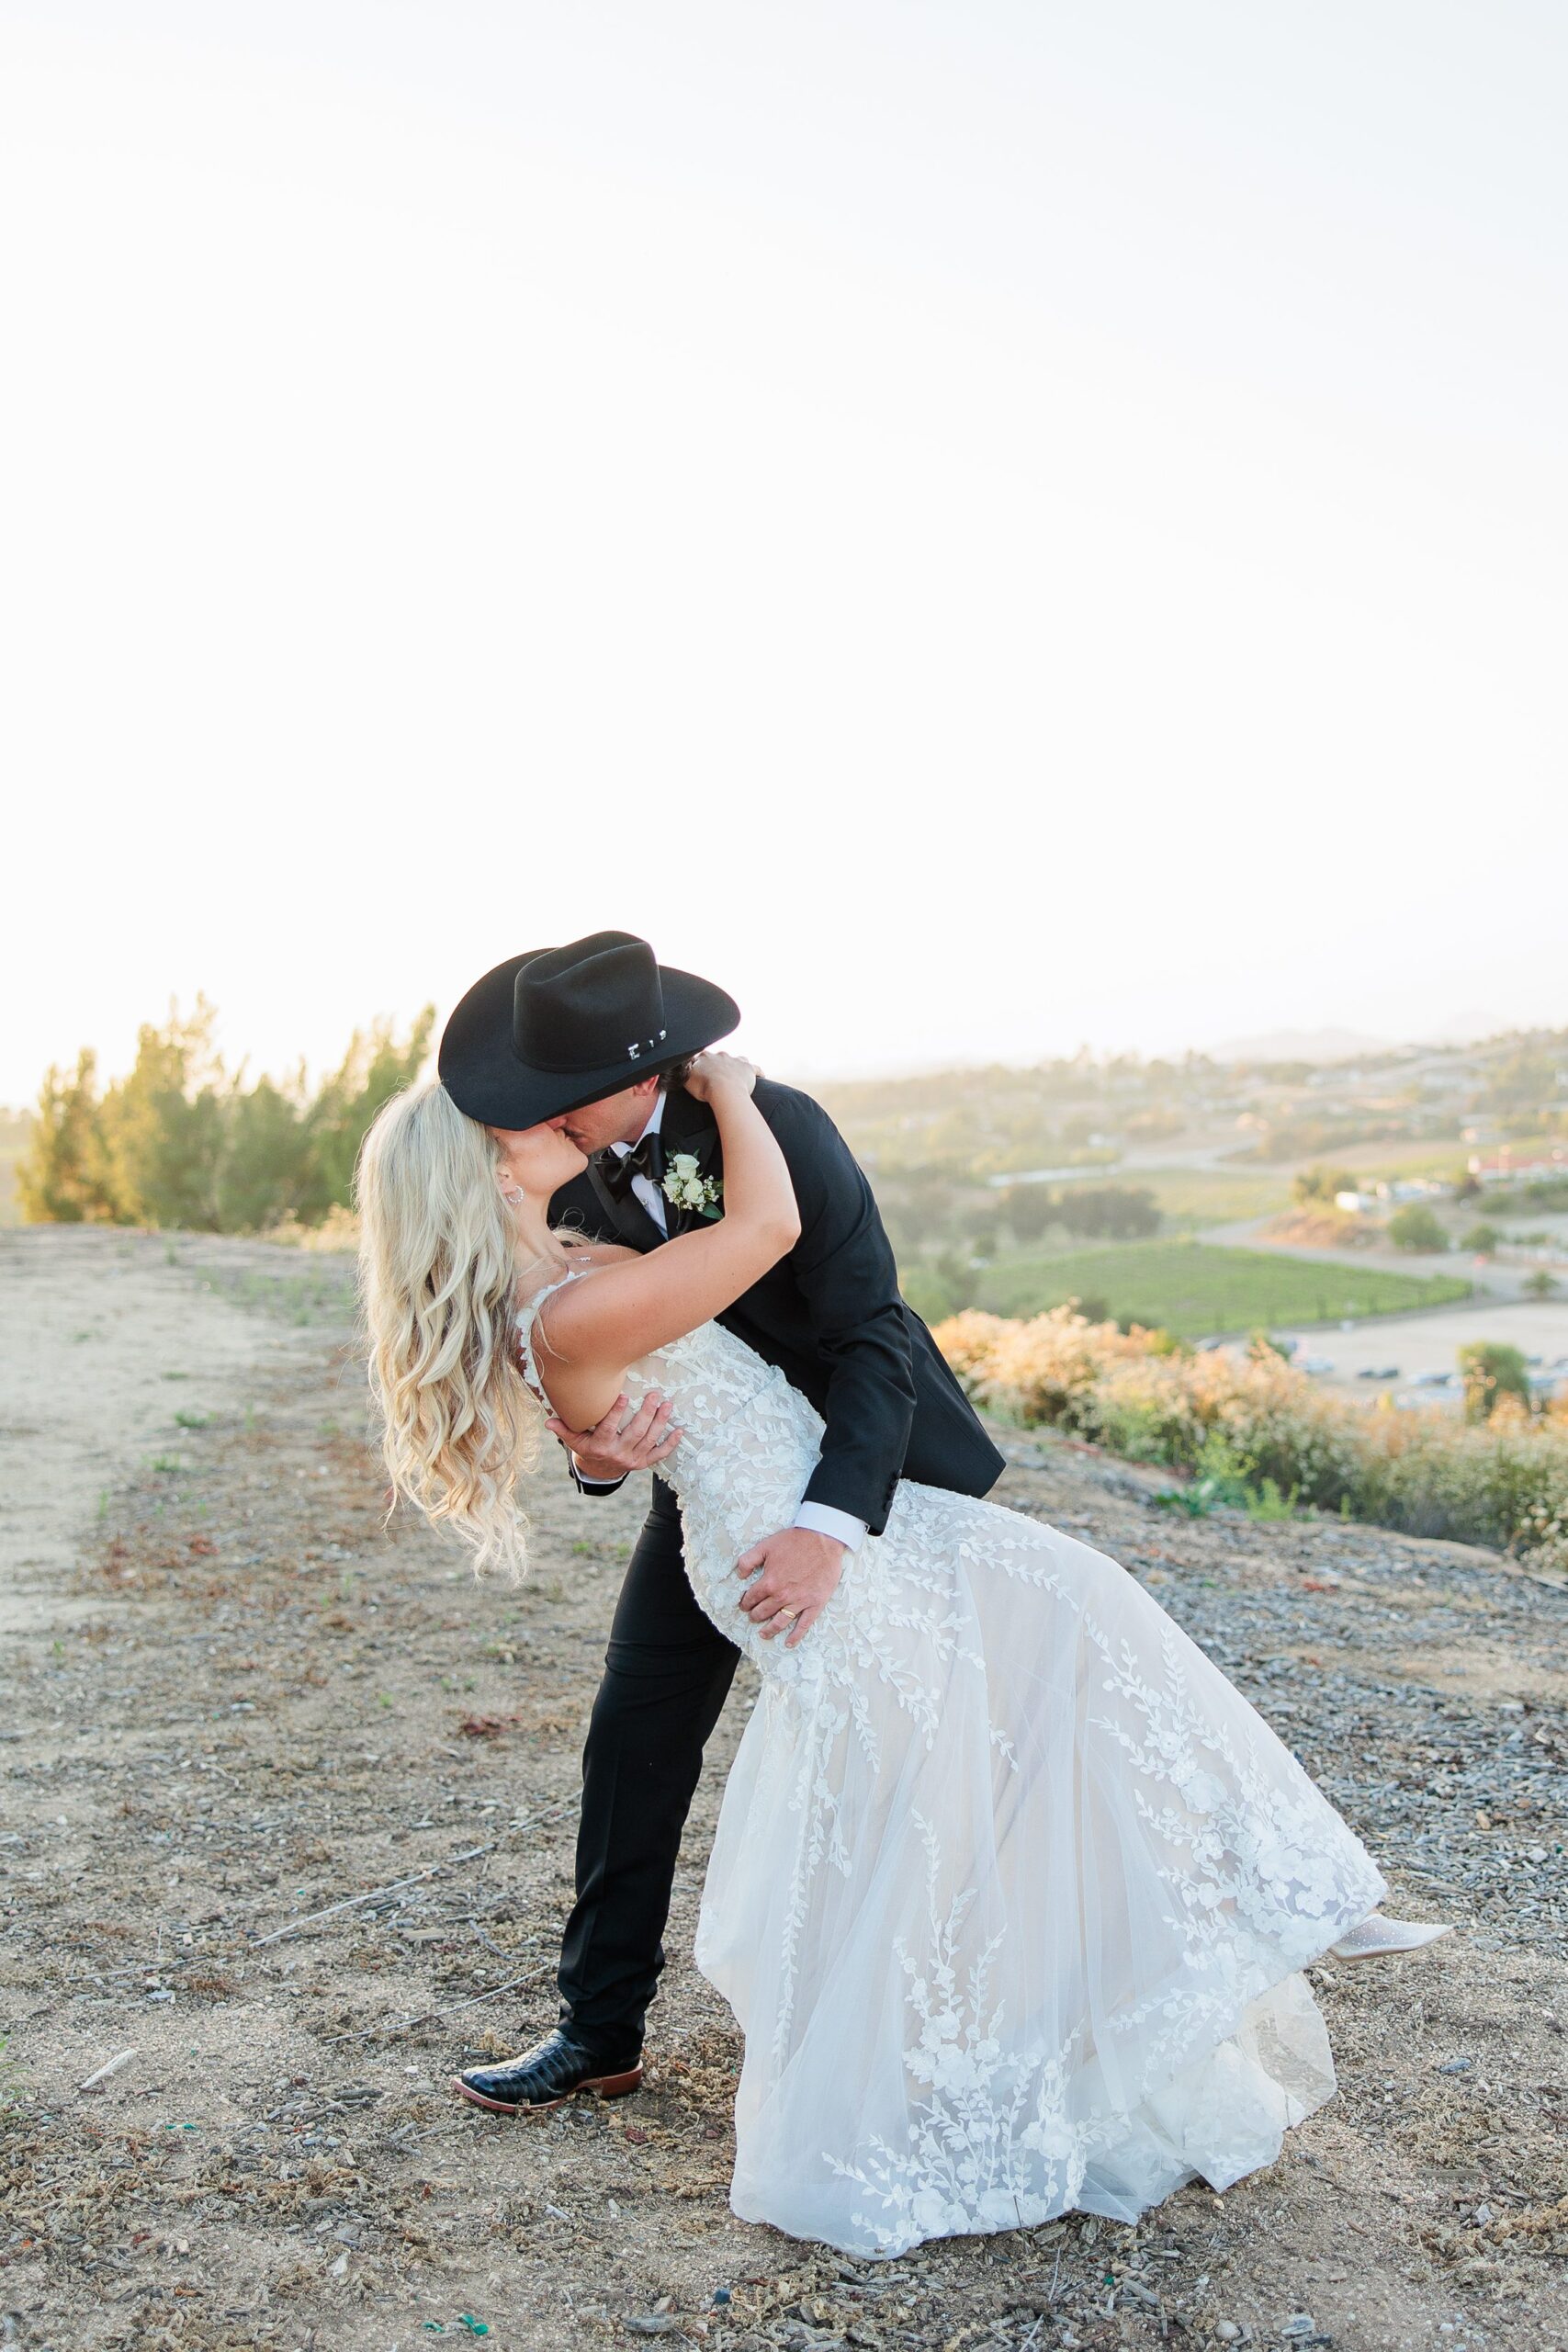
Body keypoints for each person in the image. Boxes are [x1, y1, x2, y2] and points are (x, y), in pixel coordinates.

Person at [356, 936, 1450, 2259]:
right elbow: (585, 1375)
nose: (532, 1116)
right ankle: (599, 2031)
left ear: (626, 1076)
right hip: (720, 1496)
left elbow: (871, 1331)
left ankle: (1209, 1911)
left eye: (552, 1093)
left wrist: (830, 1524)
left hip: (857, 1474)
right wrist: (602, 1452)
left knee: (998, 1707)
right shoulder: (562, 1171)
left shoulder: (777, 1128)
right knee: (635, 1732)